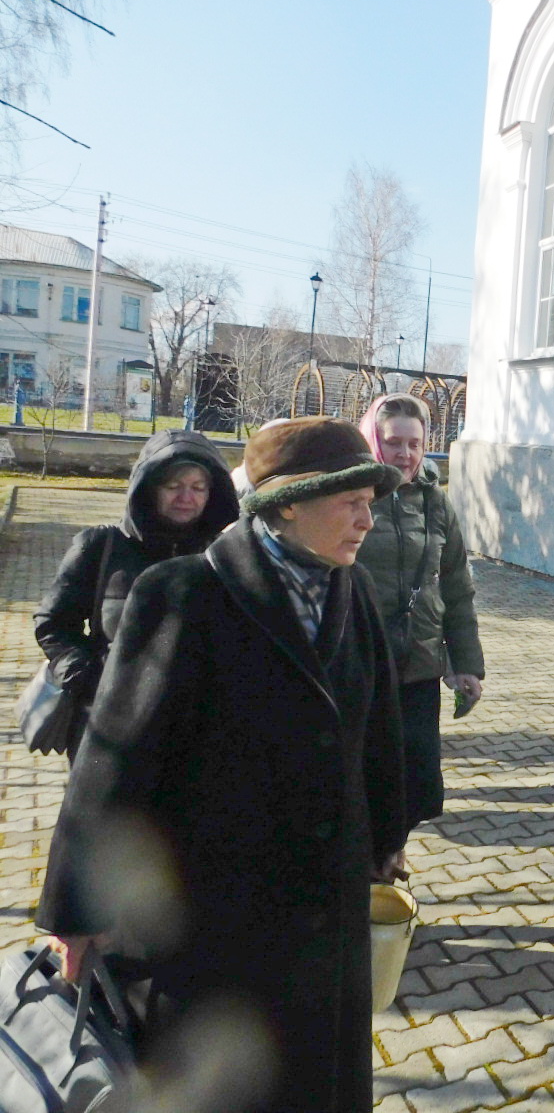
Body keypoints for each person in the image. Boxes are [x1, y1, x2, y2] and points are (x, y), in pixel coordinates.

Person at [37, 417, 407, 1113]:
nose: (367, 520)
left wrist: (387, 835)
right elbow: (116, 762)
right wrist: (78, 911)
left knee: (317, 1079)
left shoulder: (349, 588)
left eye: (370, 503)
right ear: (288, 505)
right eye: (351, 502)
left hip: (324, 903)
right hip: (212, 911)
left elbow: (377, 724)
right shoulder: (181, 595)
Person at [34, 429, 240, 757]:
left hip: (195, 733)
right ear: (149, 488)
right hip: (108, 727)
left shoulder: (226, 556)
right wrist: (87, 677)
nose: (186, 497)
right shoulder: (100, 547)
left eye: (198, 487)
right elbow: (53, 623)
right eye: (173, 486)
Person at [356, 394, 485, 839]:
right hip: (361, 663)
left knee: (416, 779)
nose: (405, 454)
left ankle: (394, 850)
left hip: (420, 664)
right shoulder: (351, 496)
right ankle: (368, 861)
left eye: (415, 443)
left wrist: (466, 664)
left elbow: (457, 587)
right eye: (394, 442)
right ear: (373, 441)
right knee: (364, 779)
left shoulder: (435, 502)